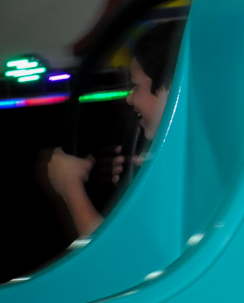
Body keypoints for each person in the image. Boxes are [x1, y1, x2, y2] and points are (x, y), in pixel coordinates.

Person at [46, 21, 183, 237]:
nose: (130, 98)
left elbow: (123, 250)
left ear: (171, 88)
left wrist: (70, 187)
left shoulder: (186, 174)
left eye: (136, 86)